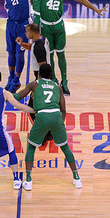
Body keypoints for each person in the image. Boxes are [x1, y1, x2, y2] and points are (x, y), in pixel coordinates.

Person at [24, 0, 109, 95]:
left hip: (58, 25)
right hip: (45, 25)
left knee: (61, 54)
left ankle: (65, 81)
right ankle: (54, 79)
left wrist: (96, 9)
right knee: (49, 56)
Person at [15, 63, 82, 191]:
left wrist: (6, 95)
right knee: (65, 147)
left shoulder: (34, 84)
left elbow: (19, 96)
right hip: (56, 116)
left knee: (31, 147)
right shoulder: (58, 87)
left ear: (39, 74)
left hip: (42, 116)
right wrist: (59, 124)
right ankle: (77, 178)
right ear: (51, 75)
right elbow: (63, 109)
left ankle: (28, 181)